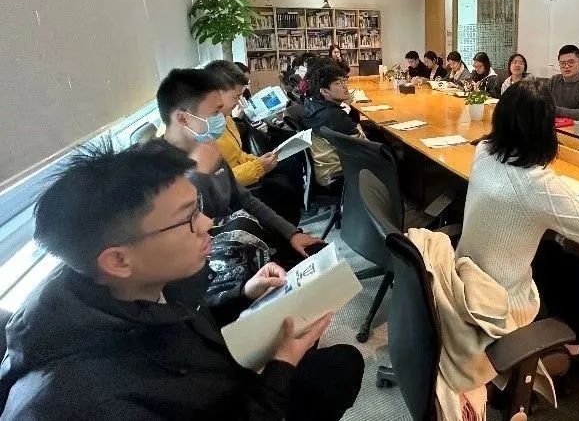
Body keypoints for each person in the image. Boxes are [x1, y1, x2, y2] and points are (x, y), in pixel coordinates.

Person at [0, 142, 363, 420]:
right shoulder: (88, 404)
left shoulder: (132, 281)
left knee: (335, 362)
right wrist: (280, 368)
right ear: (118, 260)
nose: (208, 224)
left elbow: (174, 320)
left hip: (217, 382)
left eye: (198, 207)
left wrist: (243, 294)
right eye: (188, 218)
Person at [455, 81, 579, 393]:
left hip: (465, 275)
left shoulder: (483, 151)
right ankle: (568, 362)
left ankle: (561, 344)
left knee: (557, 259)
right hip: (500, 302)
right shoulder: (537, 183)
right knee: (571, 267)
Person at [156, 68, 323, 261]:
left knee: (315, 252)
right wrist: (200, 174)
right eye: (215, 113)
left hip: (241, 239)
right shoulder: (157, 172)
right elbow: (182, 240)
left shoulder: (207, 147)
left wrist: (292, 233)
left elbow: (244, 199)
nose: (222, 119)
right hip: (213, 257)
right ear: (183, 118)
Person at [204, 60, 306, 226]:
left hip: (244, 175)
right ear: (217, 94)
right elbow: (220, 180)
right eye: (236, 97)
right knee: (282, 189)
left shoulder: (226, 119)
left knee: (287, 172)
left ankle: (289, 229)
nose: (238, 102)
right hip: (232, 191)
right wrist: (259, 167)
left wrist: (257, 161)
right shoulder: (204, 130)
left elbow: (238, 154)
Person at [303, 62, 367, 187]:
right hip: (338, 176)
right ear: (324, 91)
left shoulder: (314, 105)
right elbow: (364, 145)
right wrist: (359, 128)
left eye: (344, 81)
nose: (345, 86)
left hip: (325, 171)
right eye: (338, 83)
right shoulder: (335, 116)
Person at [549, 45, 579, 122]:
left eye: (571, 62)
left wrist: (554, 110)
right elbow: (543, 103)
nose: (566, 66)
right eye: (562, 63)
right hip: (556, 124)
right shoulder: (554, 80)